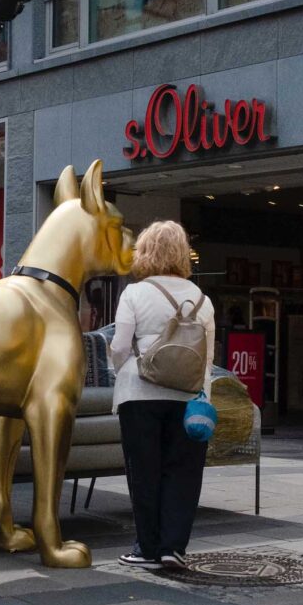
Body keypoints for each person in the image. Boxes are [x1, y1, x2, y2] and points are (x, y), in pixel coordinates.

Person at [109, 221, 215, 570]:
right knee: (183, 472)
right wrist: (204, 398)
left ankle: (147, 549)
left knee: (144, 471)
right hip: (187, 396)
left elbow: (120, 346)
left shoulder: (134, 294)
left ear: (145, 252)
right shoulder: (202, 300)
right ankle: (173, 548)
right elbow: (207, 360)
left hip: (139, 393)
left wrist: (123, 371)